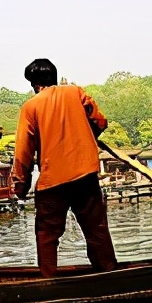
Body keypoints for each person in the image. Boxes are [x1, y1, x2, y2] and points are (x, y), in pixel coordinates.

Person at [12, 58, 118, 278]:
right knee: (96, 229)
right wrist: (86, 133)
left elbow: (23, 152)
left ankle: (48, 282)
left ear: (33, 83)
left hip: (53, 182)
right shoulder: (75, 92)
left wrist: (20, 187)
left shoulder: (30, 107)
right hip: (85, 175)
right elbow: (99, 122)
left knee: (47, 235)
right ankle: (109, 275)